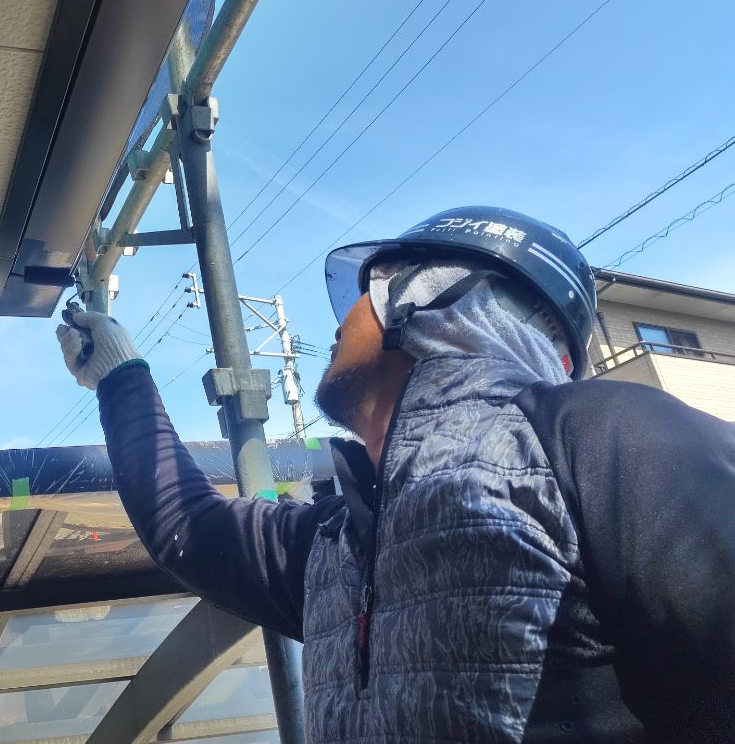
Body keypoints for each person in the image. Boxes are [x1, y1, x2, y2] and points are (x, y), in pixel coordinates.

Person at [56, 206, 735, 743]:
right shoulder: (341, 541)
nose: (342, 321)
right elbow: (188, 526)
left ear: (429, 299)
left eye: (363, 293)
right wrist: (120, 377)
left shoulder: (608, 434)